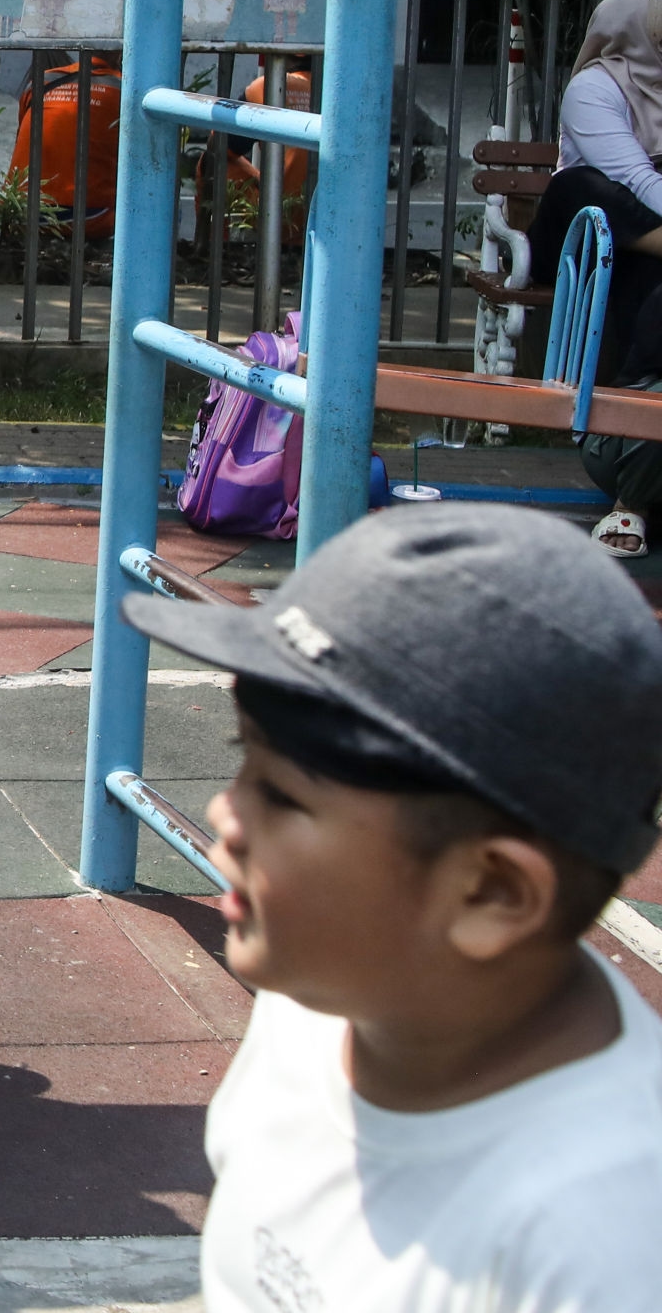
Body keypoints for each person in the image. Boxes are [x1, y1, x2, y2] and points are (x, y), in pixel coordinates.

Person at [124, 504, 662, 1312]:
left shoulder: (600, 1243)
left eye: (281, 794)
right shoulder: (323, 1003)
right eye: (245, 763)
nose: (225, 814)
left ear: (490, 894)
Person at [530, 0, 662, 555]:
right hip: (591, 241)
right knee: (584, 186)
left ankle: (634, 492)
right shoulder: (598, 88)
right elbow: (631, 179)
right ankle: (630, 497)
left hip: (643, 264)